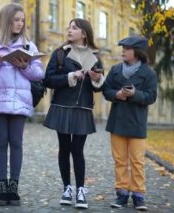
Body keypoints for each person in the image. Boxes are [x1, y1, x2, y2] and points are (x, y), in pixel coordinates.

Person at [0, 3, 44, 206]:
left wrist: (25, 67)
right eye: (16, 20)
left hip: (20, 100)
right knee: (1, 142)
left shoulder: (28, 45)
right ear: (6, 20)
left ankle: (13, 188)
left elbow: (39, 74)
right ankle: (2, 187)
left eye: (22, 20)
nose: (20, 23)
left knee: (16, 143)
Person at [43, 18, 105, 209]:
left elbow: (98, 87)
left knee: (77, 150)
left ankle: (80, 190)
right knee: (64, 148)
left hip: (83, 108)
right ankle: (66, 189)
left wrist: (96, 78)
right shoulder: (60, 53)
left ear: (84, 33)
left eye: (74, 28)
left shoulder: (94, 56)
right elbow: (48, 79)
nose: (69, 30)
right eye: (69, 27)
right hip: (62, 106)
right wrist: (71, 76)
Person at [102, 35, 157, 211]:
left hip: (137, 123)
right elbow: (106, 90)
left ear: (137, 52)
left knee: (137, 161)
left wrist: (135, 94)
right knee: (120, 161)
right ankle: (122, 194)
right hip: (117, 122)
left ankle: (139, 196)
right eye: (123, 48)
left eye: (127, 48)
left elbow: (151, 96)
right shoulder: (116, 70)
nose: (123, 51)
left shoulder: (149, 73)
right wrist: (116, 95)